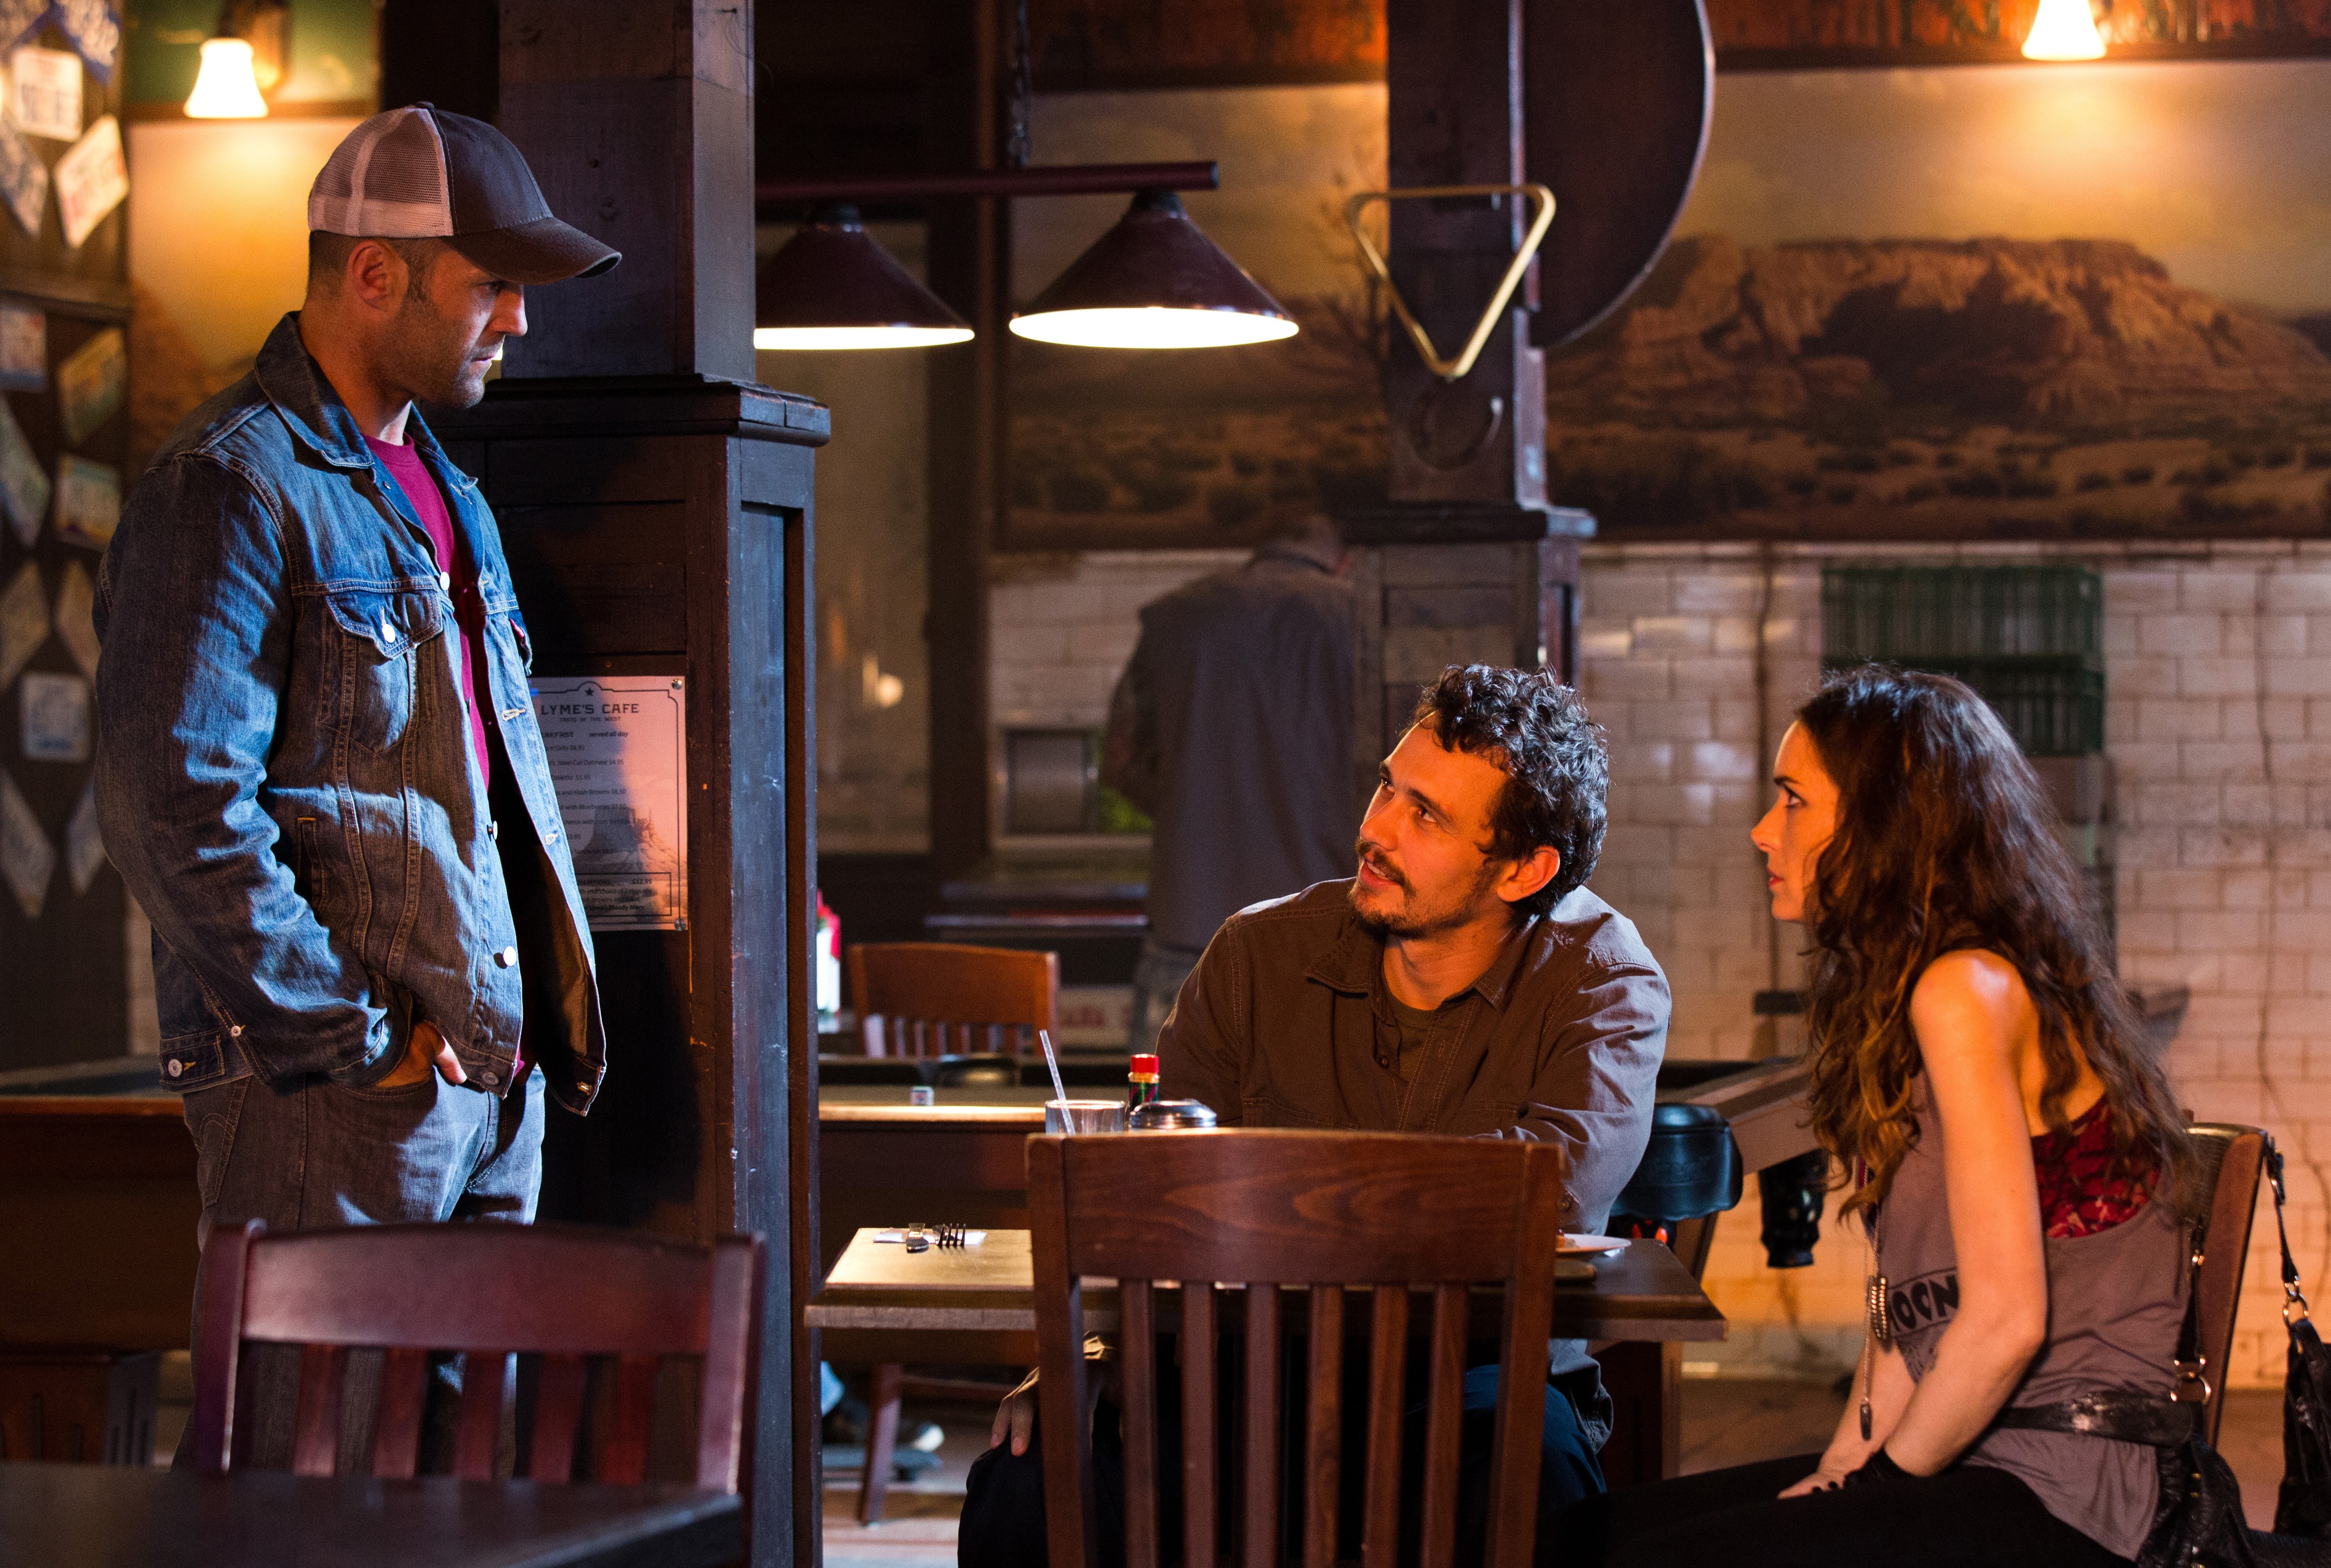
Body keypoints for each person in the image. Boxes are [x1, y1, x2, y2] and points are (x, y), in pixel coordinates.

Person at [93, 104, 617, 1468]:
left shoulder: (449, 491)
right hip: (335, 1094)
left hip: (482, 1084)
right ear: (376, 272)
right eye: (490, 285)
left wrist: (493, 1041)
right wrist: (357, 1037)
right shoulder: (227, 484)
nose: (518, 320)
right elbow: (169, 805)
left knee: (460, 1512)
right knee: (302, 1506)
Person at [961, 663, 1669, 1566]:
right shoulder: (1256, 954)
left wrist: (1263, 1194)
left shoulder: (1602, 980)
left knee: (1532, 1468)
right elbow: (1147, 1199)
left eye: (1427, 815)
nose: (1376, 828)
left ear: (1524, 870)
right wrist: (1090, 1350)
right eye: (1388, 787)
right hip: (1243, 1370)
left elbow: (1544, 1196)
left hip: (1467, 1373)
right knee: (1026, 1476)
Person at [1552, 665, 2192, 1567]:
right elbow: (1914, 1318)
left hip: (2069, 1487)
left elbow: (2004, 1322)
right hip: (1983, 1461)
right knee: (1581, 1540)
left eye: (1792, 800)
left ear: (1887, 822)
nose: (1761, 829)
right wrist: (1839, 1469)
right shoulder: (1921, 996)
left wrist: (1872, 1487)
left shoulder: (1964, 989)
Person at [1102, 510, 1356, 1052]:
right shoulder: (1362, 618)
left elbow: (1121, 759)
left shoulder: (1177, 616)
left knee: (1165, 1107)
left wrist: (1194, 806)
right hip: (1324, 936)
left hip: (1190, 927)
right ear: (1344, 560)